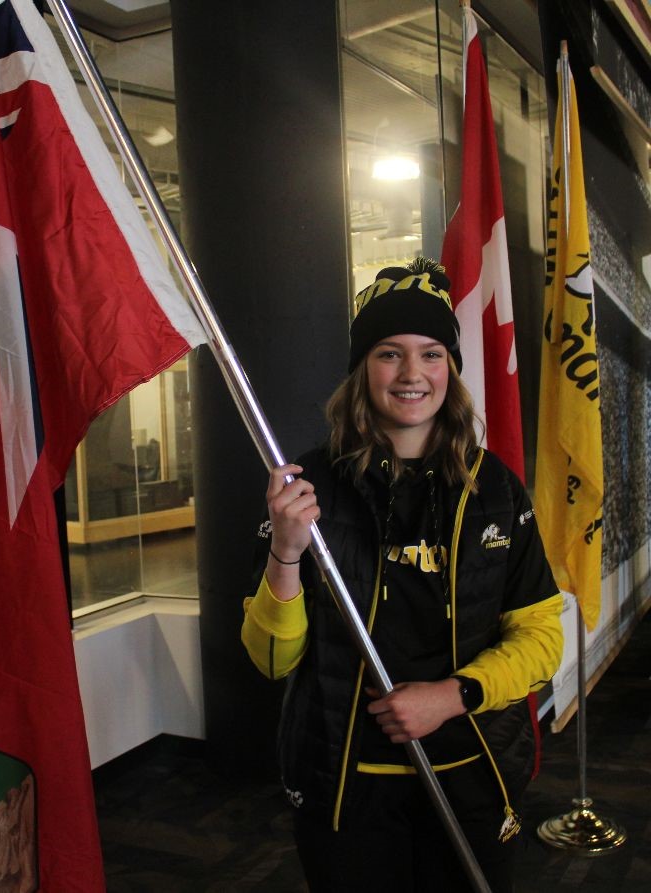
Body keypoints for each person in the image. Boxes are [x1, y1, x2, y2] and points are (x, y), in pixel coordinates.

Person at [241, 258, 563, 893]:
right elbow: (272, 661)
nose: (413, 374)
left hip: (472, 769)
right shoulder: (307, 485)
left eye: (431, 354)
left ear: (451, 369)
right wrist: (285, 550)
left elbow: (542, 639)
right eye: (390, 354)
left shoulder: (495, 487)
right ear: (364, 369)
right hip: (343, 783)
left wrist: (451, 696)